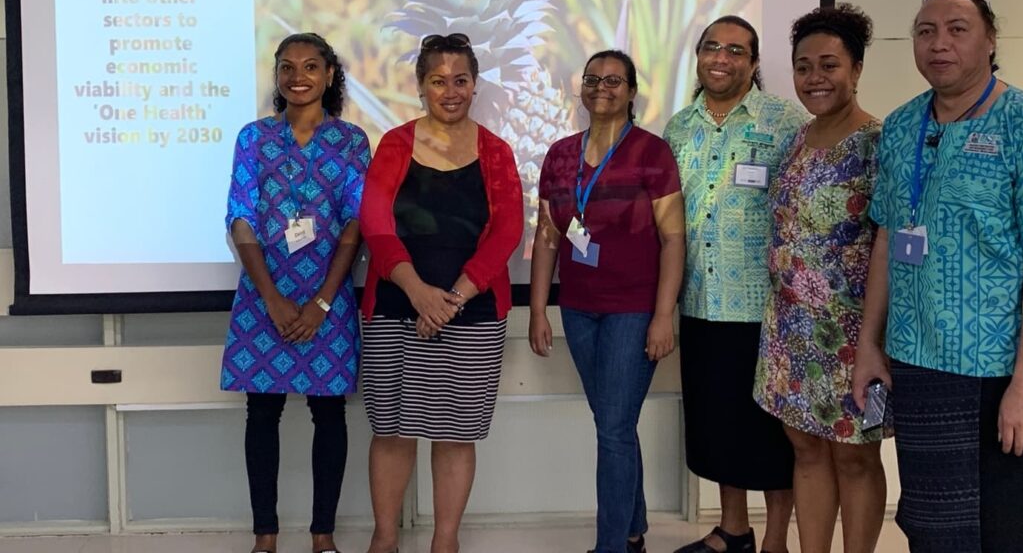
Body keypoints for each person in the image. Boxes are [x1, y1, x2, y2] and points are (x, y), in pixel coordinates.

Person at [852, 0, 1023, 552]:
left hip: (994, 368)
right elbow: (885, 238)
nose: (938, 43)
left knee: (997, 525)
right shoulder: (901, 127)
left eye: (957, 29)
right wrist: (869, 344)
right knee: (928, 521)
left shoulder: (1017, 123)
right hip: (915, 357)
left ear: (991, 40)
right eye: (926, 32)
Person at [359, 33, 524, 553]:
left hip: (471, 316)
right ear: (420, 87)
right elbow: (376, 222)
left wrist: (448, 299)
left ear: (474, 85)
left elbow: (507, 232)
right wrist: (416, 292)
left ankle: (444, 543)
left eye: (460, 81)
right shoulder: (395, 144)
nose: (449, 91)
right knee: (391, 431)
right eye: (438, 81)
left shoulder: (497, 153)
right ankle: (384, 539)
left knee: (455, 435)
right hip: (393, 308)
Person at [528, 50, 685, 553]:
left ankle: (611, 545)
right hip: (578, 309)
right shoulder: (560, 155)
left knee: (614, 428)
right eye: (592, 79)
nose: (601, 87)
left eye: (613, 79)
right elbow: (549, 238)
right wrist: (536, 310)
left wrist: (664, 315)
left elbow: (673, 239)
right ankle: (634, 529)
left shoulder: (652, 153)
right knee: (613, 423)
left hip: (634, 311)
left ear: (632, 91)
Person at [220, 32, 369, 553]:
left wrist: (322, 301)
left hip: (327, 301)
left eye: (310, 67)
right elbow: (240, 218)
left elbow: (355, 224)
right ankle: (265, 538)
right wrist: (274, 299)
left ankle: (323, 537)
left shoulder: (352, 141)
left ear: (330, 75)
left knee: (329, 413)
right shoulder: (253, 138)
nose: (298, 77)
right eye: (287, 68)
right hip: (264, 299)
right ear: (278, 77)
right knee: (262, 413)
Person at [663, 16, 805, 553]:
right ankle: (733, 528)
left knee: (770, 431)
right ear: (699, 56)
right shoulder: (678, 127)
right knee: (716, 422)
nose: (721, 58)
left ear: (752, 61)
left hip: (767, 306)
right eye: (711, 47)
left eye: (736, 50)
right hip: (700, 301)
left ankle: (774, 540)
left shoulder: (786, 121)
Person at [753, 5, 888, 553]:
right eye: (804, 66)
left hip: (852, 332)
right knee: (805, 450)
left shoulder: (879, 144)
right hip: (789, 330)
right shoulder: (796, 140)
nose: (815, 78)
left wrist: (873, 340)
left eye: (829, 65)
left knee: (855, 455)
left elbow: (887, 243)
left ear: (856, 70)